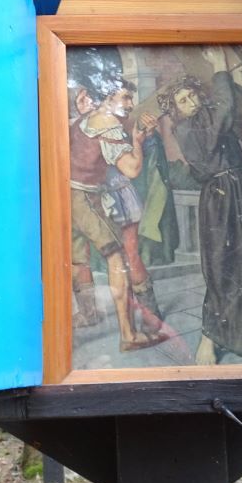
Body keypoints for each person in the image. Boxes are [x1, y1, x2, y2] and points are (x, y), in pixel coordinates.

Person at [159, 48, 242, 365]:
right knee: (223, 268)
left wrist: (233, 77)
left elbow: (232, 110)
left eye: (192, 95)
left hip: (241, 190)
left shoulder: (206, 117)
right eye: (183, 101)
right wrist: (219, 66)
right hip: (219, 199)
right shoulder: (186, 128)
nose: (191, 102)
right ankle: (210, 338)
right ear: (176, 110)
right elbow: (226, 109)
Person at [69, 77, 165, 350]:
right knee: (118, 257)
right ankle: (128, 335)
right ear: (107, 97)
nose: (131, 103)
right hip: (85, 198)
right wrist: (137, 141)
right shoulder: (108, 125)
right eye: (125, 97)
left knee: (78, 258)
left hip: (67, 195)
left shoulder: (84, 119)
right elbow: (132, 169)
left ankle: (88, 314)